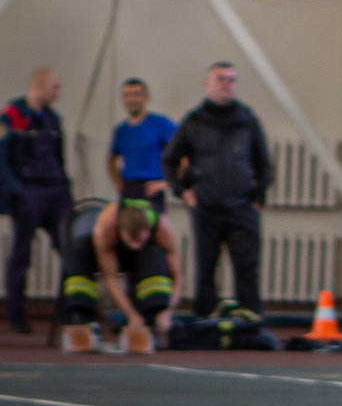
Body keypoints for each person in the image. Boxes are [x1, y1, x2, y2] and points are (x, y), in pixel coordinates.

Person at [166, 62, 272, 315]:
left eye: (231, 79)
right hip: (207, 208)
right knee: (206, 269)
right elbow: (169, 160)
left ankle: (250, 320)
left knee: (247, 268)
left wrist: (259, 197)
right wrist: (181, 191)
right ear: (207, 84)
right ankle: (205, 323)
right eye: (220, 78)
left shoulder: (247, 120)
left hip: (242, 208)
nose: (226, 83)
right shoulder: (193, 121)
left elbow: (264, 163)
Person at [55, 197, 179, 353]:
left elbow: (178, 277)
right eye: (131, 240)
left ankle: (150, 322)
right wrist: (132, 314)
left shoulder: (163, 228)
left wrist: (167, 310)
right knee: (77, 256)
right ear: (119, 229)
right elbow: (110, 278)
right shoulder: (105, 229)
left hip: (141, 257)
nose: (135, 245)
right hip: (97, 250)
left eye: (139, 240)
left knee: (155, 258)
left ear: (148, 231)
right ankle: (82, 319)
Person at [2, 67, 72, 334]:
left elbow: (59, 158)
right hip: (27, 190)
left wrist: (66, 192)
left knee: (70, 250)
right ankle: (17, 315)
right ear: (39, 85)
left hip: (55, 191)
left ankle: (69, 311)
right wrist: (14, 191)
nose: (58, 93)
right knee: (21, 254)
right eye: (55, 87)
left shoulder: (53, 120)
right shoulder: (13, 116)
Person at [108, 78, 179, 201]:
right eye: (127, 95)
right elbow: (111, 161)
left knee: (156, 220)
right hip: (128, 188)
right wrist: (119, 183)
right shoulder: (121, 131)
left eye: (136, 94)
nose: (132, 99)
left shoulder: (160, 123)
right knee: (105, 220)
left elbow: (183, 152)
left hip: (151, 189)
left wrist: (165, 183)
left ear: (146, 98)